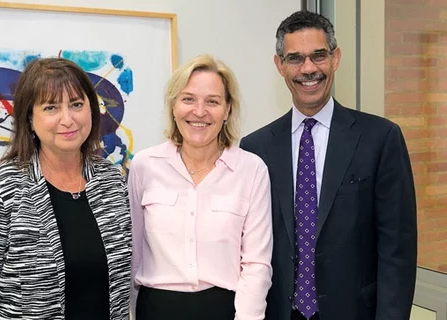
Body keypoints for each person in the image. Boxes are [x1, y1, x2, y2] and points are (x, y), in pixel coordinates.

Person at [240, 10, 417, 320]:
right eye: (295, 59)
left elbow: (397, 249)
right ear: (280, 65)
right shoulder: (255, 148)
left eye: (318, 56)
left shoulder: (381, 137)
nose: (309, 69)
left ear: (335, 58)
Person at [0, 58, 132, 319]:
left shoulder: (111, 181)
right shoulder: (1, 190)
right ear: (30, 118)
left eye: (76, 104)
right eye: (51, 107)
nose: (67, 119)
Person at [128, 54, 273, 320]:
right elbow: (134, 254)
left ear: (228, 109)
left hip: (225, 310)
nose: (199, 111)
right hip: (156, 308)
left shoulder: (251, 170)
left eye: (213, 101)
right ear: (173, 105)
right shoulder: (144, 166)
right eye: (188, 99)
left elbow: (256, 265)